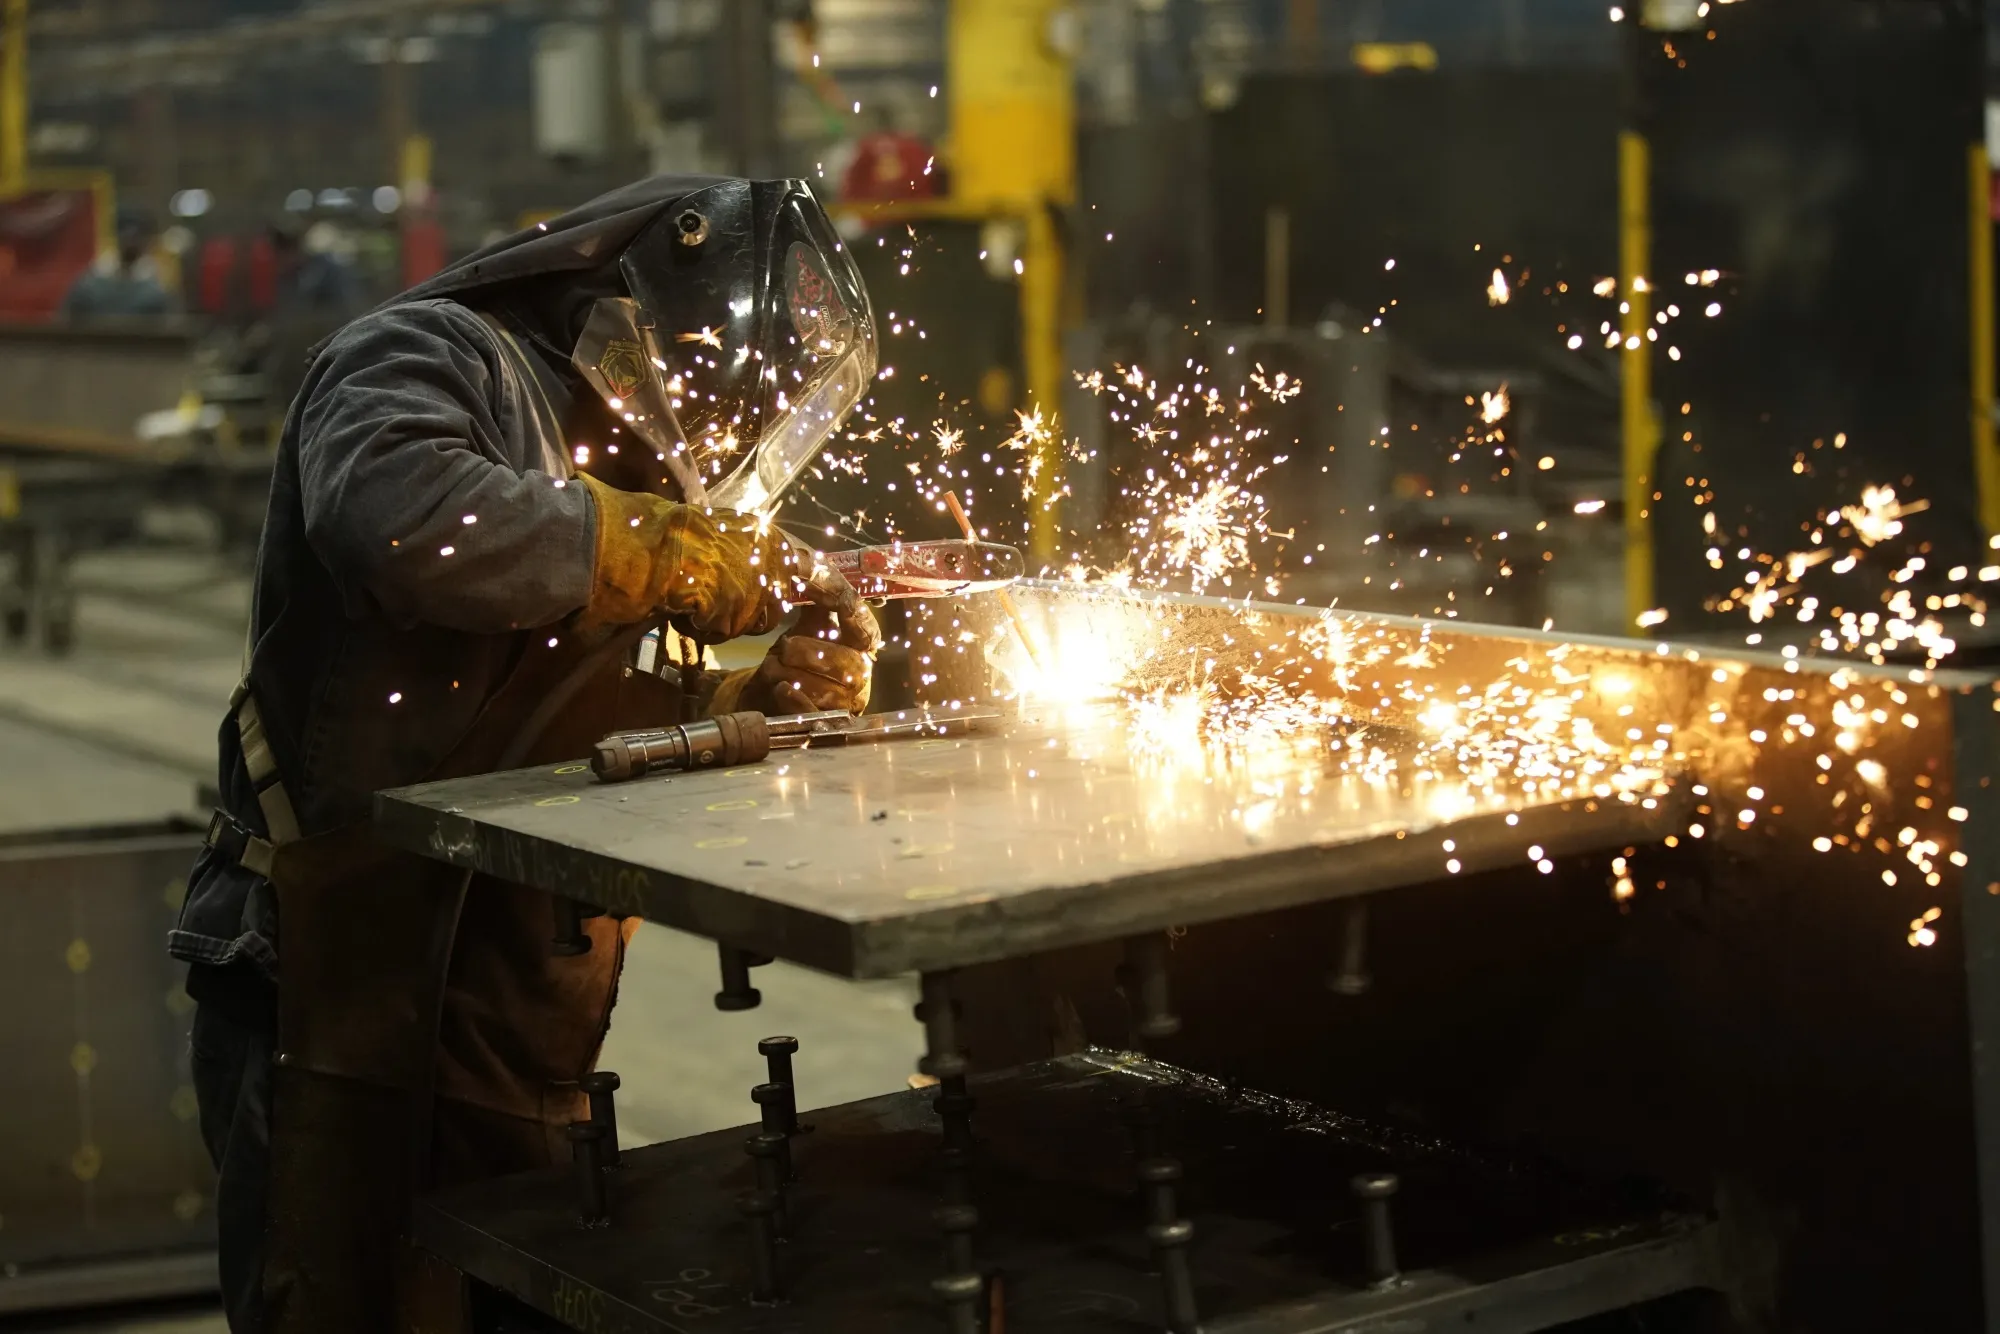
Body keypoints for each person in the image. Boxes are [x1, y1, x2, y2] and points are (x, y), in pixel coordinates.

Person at [172, 174, 881, 1333]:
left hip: (515, 1014)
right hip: (334, 988)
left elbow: (603, 737)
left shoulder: (645, 486)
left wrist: (773, 699)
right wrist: (674, 558)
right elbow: (402, 518)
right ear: (655, 309)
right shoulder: (431, 355)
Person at [60, 205, 174, 318]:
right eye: (125, 235)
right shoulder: (91, 282)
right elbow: (70, 319)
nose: (131, 241)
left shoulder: (156, 289)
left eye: (137, 237)